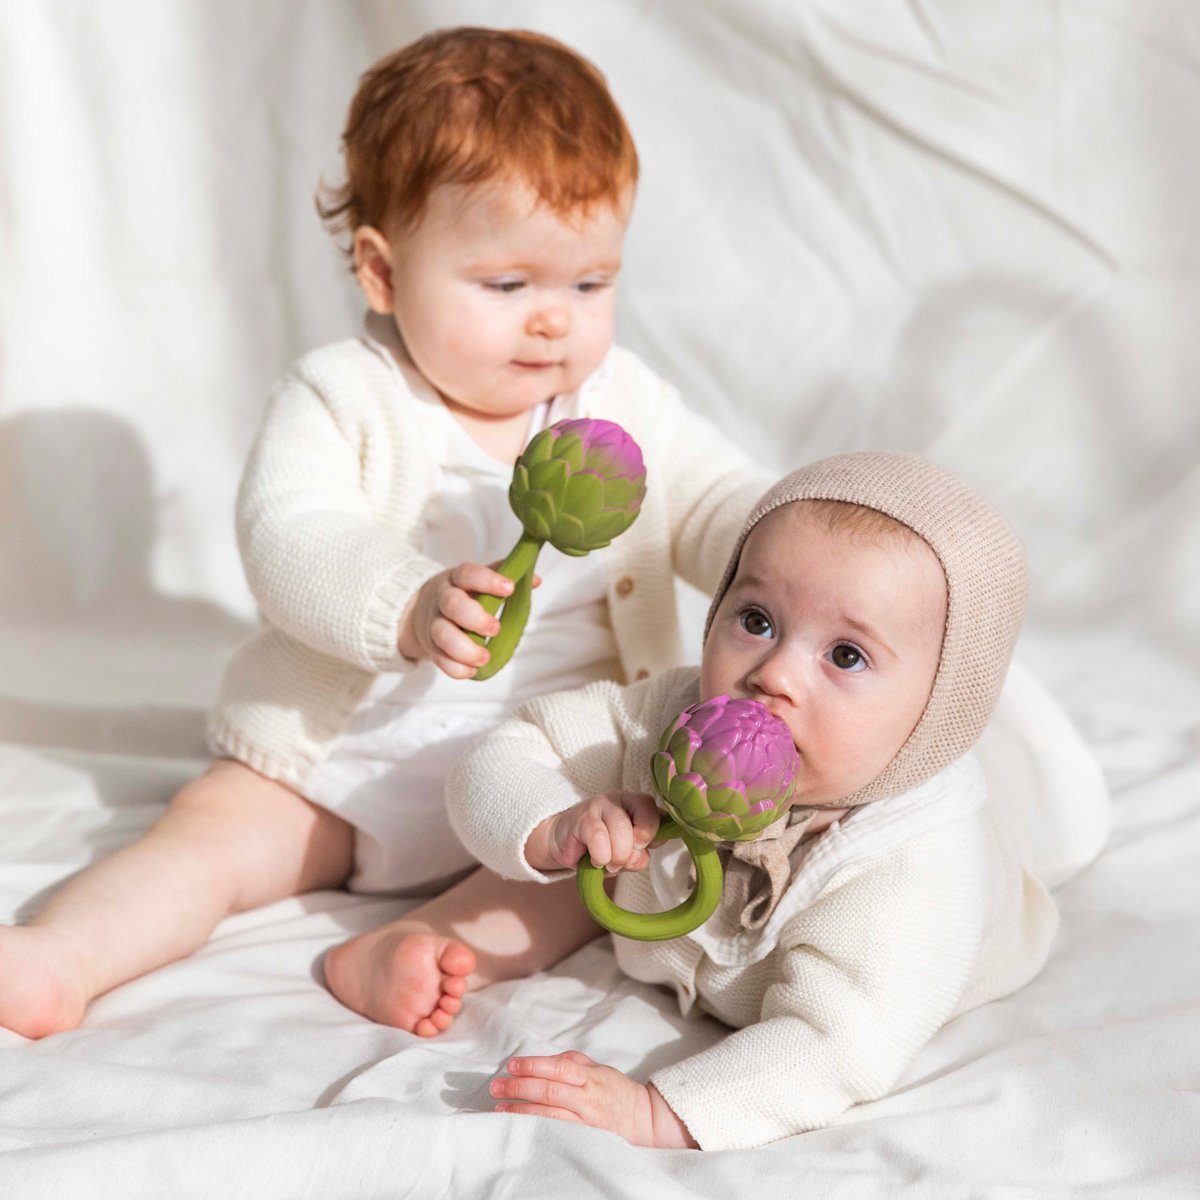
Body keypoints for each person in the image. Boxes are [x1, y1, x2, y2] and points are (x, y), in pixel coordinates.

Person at [0, 27, 774, 1040]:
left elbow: (721, 502)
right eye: (508, 286)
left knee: (586, 884)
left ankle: (405, 946)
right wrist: (404, 602)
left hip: (544, 781)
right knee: (211, 837)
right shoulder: (347, 397)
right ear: (381, 269)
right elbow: (291, 535)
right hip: (340, 765)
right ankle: (62, 958)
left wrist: (794, 545)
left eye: (589, 284)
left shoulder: (626, 404)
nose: (555, 322)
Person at [366, 451, 1109, 1150]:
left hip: (916, 937)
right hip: (667, 919)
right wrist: (551, 824)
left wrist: (657, 1110)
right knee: (578, 846)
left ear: (939, 705)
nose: (774, 674)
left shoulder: (919, 863)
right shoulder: (671, 710)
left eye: (845, 656)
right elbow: (512, 749)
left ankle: (1045, 778)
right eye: (756, 621)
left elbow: (834, 1050)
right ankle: (408, 946)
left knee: (1051, 825)